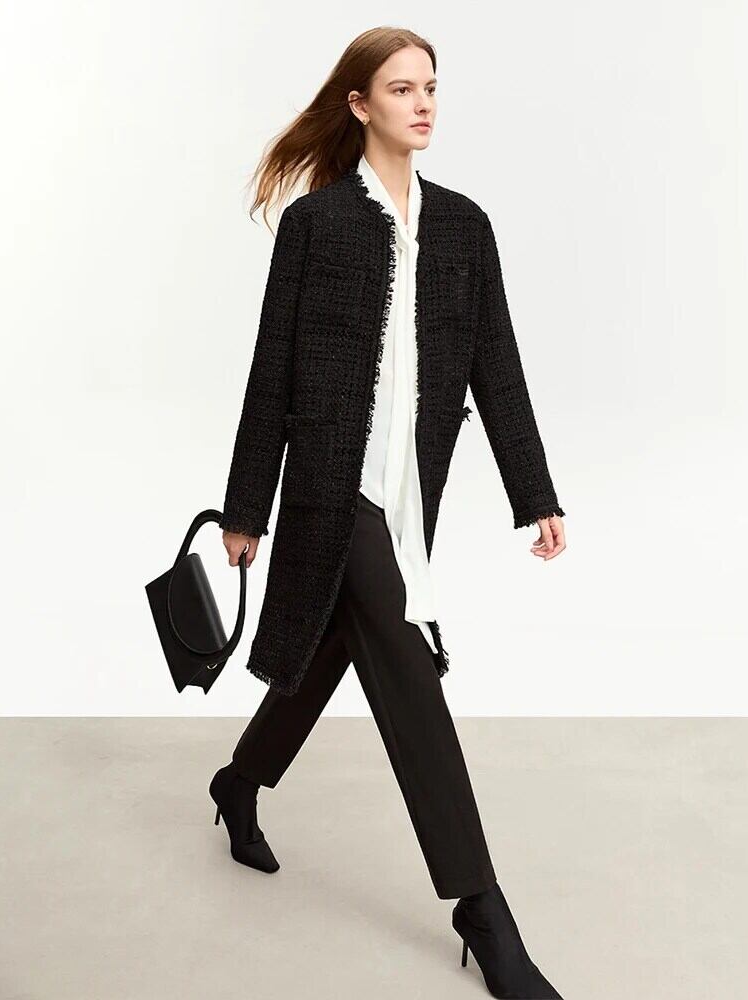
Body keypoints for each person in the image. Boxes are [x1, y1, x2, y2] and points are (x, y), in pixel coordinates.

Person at [209, 27, 567, 1000]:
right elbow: (271, 373)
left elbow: (497, 363)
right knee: (409, 669)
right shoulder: (317, 225)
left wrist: (534, 494)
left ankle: (238, 781)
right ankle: (483, 912)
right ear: (360, 104)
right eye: (402, 89)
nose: (423, 104)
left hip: (411, 499)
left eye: (431, 88)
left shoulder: (465, 228)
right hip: (335, 491)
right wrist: (246, 507)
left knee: (333, 642)